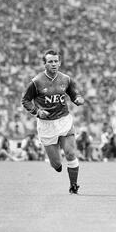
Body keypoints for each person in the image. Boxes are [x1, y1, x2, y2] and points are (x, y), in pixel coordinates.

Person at [21, 49, 85, 194]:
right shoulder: (36, 82)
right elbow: (25, 100)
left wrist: (77, 99)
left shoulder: (66, 79)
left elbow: (73, 93)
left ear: (60, 62)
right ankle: (56, 164)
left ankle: (73, 186)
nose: (54, 64)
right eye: (50, 61)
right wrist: (37, 112)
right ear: (45, 64)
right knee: (56, 164)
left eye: (56, 61)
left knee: (70, 153)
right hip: (46, 125)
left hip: (64, 120)